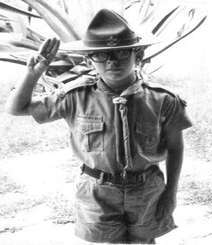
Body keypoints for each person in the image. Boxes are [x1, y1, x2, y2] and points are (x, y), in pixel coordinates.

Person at [6, 9, 192, 244]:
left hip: (146, 190)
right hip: (97, 193)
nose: (112, 61)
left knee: (145, 242)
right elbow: (16, 108)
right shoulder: (76, 96)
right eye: (101, 55)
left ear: (139, 55)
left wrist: (171, 193)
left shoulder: (163, 100)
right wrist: (33, 74)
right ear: (88, 60)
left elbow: (176, 147)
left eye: (121, 52)